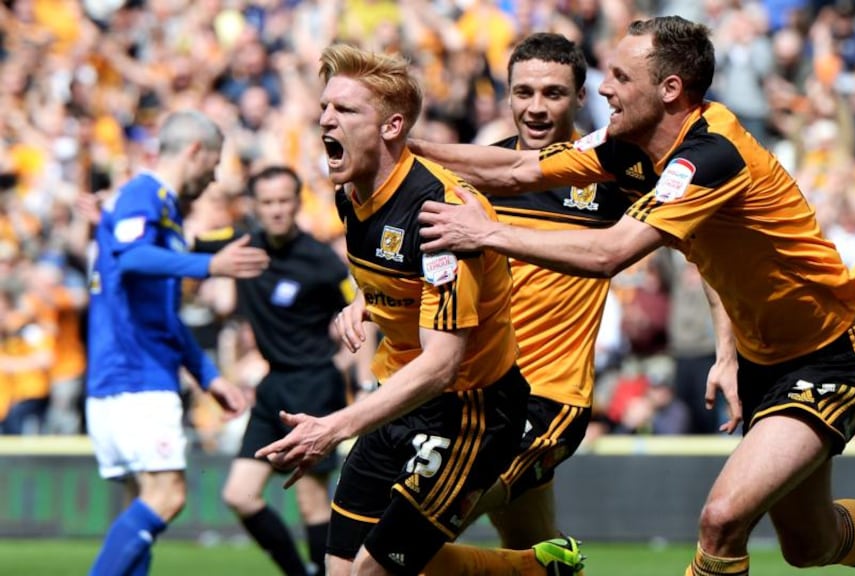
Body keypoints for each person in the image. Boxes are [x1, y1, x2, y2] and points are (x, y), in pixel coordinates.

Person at [413, 16, 855, 576]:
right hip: (763, 361)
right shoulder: (632, 149)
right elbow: (518, 168)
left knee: (721, 521)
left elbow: (610, 253)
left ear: (669, 89)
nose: (604, 89)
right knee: (809, 545)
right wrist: (402, 148)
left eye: (620, 77)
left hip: (833, 352)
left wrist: (486, 233)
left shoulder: (712, 155)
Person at [254, 44, 583, 576]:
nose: (326, 119)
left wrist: (334, 428)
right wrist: (369, 300)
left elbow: (442, 363)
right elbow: (398, 270)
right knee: (341, 571)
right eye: (325, 107)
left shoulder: (439, 215)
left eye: (346, 109)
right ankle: (535, 567)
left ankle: (534, 570)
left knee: (373, 572)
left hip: (467, 410)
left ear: (392, 126)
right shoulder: (349, 193)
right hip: (399, 396)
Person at [337, 32, 636, 551]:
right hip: (471, 393)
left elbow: (698, 240)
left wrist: (725, 352)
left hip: (547, 398)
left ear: (580, 98)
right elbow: (421, 259)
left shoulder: (612, 175)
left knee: (402, 542)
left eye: (553, 93)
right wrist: (374, 295)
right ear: (507, 96)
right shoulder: (478, 177)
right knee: (528, 543)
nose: (536, 107)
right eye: (523, 92)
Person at [85, 109, 269, 576]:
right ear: (195, 151)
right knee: (167, 497)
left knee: (145, 503)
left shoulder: (160, 209)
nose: (213, 178)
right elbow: (130, 259)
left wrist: (209, 377)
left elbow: (163, 315)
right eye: (214, 164)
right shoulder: (144, 192)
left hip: (127, 375)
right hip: (136, 376)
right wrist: (209, 266)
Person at [193, 165, 355, 576]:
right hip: (274, 384)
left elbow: (360, 308)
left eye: (284, 200)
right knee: (239, 494)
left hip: (316, 384)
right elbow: (185, 242)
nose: (277, 209)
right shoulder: (240, 246)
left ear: (298, 203)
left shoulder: (321, 260)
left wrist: (358, 369)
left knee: (311, 502)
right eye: (267, 202)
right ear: (254, 206)